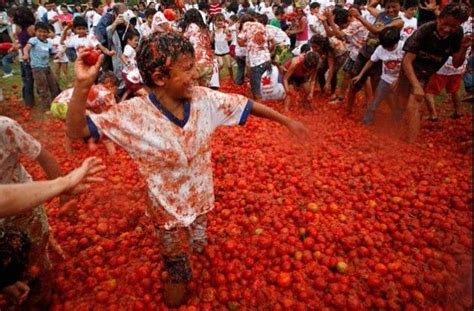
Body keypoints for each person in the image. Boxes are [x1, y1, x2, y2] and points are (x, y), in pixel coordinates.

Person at [66, 32, 307, 307]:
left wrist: (287, 121)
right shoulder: (134, 115)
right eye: (188, 68)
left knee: (198, 239)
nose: (197, 73)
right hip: (167, 210)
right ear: (159, 78)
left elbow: (247, 105)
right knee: (178, 273)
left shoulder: (205, 100)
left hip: (202, 197)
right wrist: (83, 85)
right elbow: (78, 130)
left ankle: (196, 243)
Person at [0, 116, 65, 308]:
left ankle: (41, 296)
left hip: (25, 205)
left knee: (35, 263)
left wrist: (65, 192)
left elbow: (44, 157)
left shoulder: (5, 128)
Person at [397, 2, 471, 142]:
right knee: (401, 100)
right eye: (445, 24)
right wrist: (416, 85)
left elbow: (456, 63)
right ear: (439, 18)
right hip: (411, 67)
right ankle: (396, 121)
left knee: (414, 104)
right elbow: (407, 61)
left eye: (453, 26)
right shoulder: (425, 30)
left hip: (427, 72)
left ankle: (409, 144)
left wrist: (463, 48)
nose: (447, 29)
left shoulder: (457, 34)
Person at [346, 0, 403, 114]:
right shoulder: (381, 14)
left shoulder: (398, 22)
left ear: (400, 6)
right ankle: (348, 110)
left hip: (380, 58)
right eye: (388, 7)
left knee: (379, 87)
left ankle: (395, 113)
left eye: (394, 7)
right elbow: (369, 7)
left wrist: (359, 17)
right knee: (355, 82)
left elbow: (376, 31)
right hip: (365, 53)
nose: (391, 10)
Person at [352, 26, 404, 125]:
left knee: (401, 102)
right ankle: (367, 121)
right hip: (386, 79)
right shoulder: (380, 49)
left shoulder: (404, 48)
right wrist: (360, 75)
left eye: (389, 47)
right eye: (385, 47)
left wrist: (399, 80)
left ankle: (398, 120)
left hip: (401, 80)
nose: (387, 49)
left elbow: (408, 65)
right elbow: (370, 62)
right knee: (376, 101)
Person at [22, 21, 60, 111]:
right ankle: (46, 108)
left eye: (44, 32)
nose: (42, 34)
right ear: (35, 32)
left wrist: (57, 54)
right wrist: (26, 54)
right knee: (43, 88)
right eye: (40, 31)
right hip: (37, 68)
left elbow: (52, 53)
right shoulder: (33, 40)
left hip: (47, 67)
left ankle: (57, 103)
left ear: (48, 33)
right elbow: (26, 48)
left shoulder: (48, 43)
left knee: (53, 85)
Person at [238, 14, 272, 99]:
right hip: (267, 59)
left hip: (257, 63)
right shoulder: (261, 25)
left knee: (257, 94)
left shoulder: (246, 25)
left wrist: (248, 42)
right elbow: (272, 42)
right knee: (266, 87)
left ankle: (261, 110)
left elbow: (239, 42)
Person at [182, 9, 213, 86]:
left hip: (197, 62)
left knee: (196, 92)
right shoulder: (204, 27)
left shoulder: (191, 27)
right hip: (208, 62)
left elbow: (185, 43)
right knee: (205, 90)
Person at [13, 7, 36, 107]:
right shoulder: (30, 28)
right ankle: (29, 102)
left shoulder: (20, 28)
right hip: (28, 58)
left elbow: (22, 42)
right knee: (29, 80)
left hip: (25, 57)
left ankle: (27, 100)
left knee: (26, 80)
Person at [211, 13, 234, 83]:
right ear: (215, 22)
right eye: (218, 21)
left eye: (221, 21)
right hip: (218, 52)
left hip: (226, 50)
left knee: (229, 65)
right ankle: (216, 78)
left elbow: (230, 38)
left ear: (224, 22)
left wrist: (228, 38)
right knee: (220, 65)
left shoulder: (225, 30)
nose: (219, 22)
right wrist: (211, 36)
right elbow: (211, 41)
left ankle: (232, 78)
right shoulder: (214, 31)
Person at [120, 31, 142, 101]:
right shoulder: (129, 48)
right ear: (129, 40)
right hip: (128, 74)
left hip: (128, 73)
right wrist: (128, 65)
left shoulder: (130, 48)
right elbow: (123, 56)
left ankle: (121, 102)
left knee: (129, 90)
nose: (137, 42)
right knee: (139, 89)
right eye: (135, 40)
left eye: (137, 41)